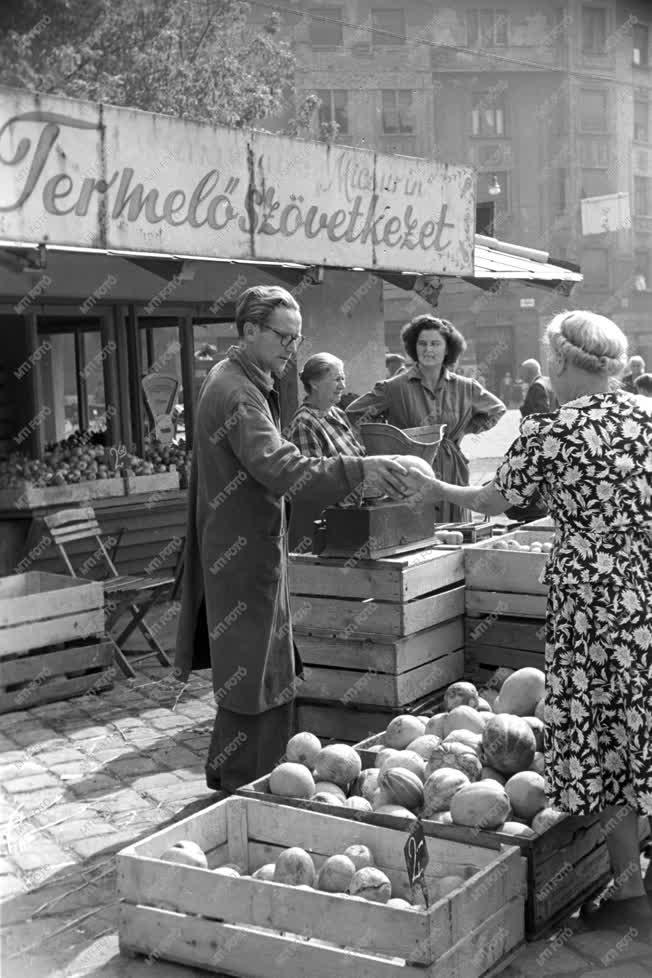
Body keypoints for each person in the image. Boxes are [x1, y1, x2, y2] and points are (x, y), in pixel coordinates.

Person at [418, 310, 652, 929]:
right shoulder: (649, 417)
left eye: (552, 358)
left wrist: (435, 485)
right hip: (647, 592)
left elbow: (498, 497)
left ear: (565, 362)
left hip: (591, 604)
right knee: (644, 727)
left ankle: (628, 893)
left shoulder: (556, 428)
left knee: (601, 741)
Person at [174, 285, 417, 793]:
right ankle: (252, 785)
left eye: (297, 337)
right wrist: (360, 468)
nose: (292, 347)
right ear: (249, 331)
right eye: (284, 336)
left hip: (249, 539)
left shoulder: (245, 376)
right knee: (253, 671)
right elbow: (279, 467)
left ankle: (227, 773)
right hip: (242, 548)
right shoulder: (237, 390)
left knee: (261, 661)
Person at [346, 315, 506, 522]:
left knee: (455, 533)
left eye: (435, 344)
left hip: (452, 470)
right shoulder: (393, 387)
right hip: (411, 471)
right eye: (422, 343)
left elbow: (496, 409)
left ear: (448, 349)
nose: (428, 350)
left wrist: (464, 431)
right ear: (414, 347)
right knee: (415, 534)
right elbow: (354, 413)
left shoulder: (466, 387)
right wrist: (387, 442)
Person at [286, 353, 365, 548]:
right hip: (325, 529)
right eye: (336, 379)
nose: (343, 385)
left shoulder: (337, 413)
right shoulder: (304, 423)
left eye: (343, 378)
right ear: (314, 383)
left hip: (351, 518)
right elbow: (313, 485)